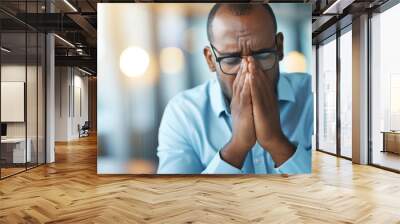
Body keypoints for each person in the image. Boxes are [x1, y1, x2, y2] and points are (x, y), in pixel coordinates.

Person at [157, 3, 313, 174]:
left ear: (279, 47)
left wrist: (275, 141)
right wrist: (237, 146)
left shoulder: (314, 96)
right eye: (231, 60)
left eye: (262, 55)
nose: (249, 72)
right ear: (210, 59)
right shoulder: (184, 113)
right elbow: (176, 198)